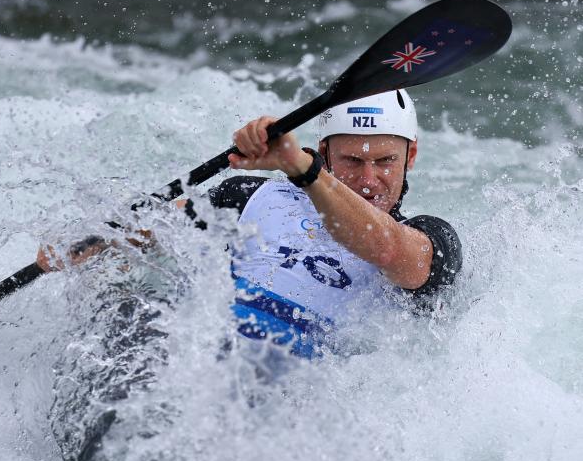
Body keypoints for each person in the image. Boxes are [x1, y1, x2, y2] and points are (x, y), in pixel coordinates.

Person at [38, 89, 462, 358]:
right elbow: (150, 233)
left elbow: (387, 250)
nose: (369, 180)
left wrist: (298, 164)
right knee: (125, 309)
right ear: (326, 153)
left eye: (385, 161)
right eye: (353, 161)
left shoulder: (432, 238)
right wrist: (85, 242)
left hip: (304, 387)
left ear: (410, 156)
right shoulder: (248, 196)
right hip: (201, 361)